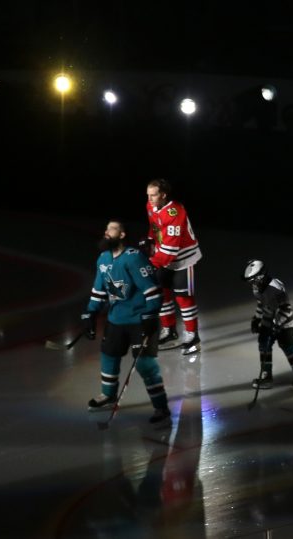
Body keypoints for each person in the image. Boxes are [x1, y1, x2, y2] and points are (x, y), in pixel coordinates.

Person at [83, 220, 170, 425]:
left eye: (111, 229)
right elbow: (98, 291)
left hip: (139, 320)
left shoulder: (134, 258)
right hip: (116, 320)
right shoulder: (103, 259)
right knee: (109, 355)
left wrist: (150, 317)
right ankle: (108, 395)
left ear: (122, 234)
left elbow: (153, 291)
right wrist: (90, 313)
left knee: (145, 364)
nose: (106, 232)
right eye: (105, 228)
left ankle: (161, 408)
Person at [145, 179, 203, 355]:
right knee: (162, 292)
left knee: (183, 297)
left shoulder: (174, 212)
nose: (150, 198)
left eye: (153, 195)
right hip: (164, 257)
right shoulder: (150, 205)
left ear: (163, 195)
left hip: (184, 259)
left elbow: (171, 250)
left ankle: (192, 335)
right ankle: (169, 330)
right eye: (148, 194)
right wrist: (149, 240)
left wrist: (149, 265)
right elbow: (155, 228)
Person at [241, 259, 293, 390]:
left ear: (260, 277)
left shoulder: (275, 287)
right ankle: (266, 377)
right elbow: (261, 303)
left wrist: (277, 326)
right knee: (263, 345)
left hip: (284, 323)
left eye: (253, 280)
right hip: (268, 319)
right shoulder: (257, 287)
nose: (251, 284)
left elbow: (285, 310)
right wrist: (257, 318)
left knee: (288, 348)